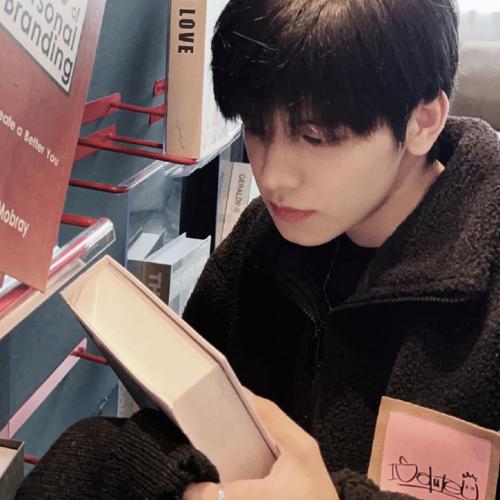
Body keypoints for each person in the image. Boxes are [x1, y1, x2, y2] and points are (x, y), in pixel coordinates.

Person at [15, 0, 499, 499]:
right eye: (257, 127)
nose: (272, 175)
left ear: (422, 122)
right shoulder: (263, 241)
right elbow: (174, 430)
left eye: (316, 137)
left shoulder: (484, 295)